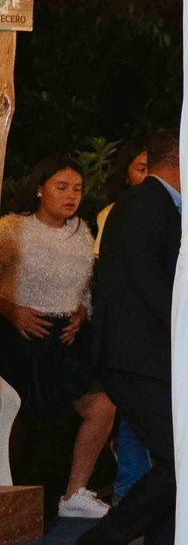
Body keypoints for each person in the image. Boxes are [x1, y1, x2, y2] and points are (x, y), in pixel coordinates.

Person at [78, 130, 188, 545]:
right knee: (181, 464)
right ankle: (107, 537)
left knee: (187, 470)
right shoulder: (144, 205)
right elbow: (150, 285)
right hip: (139, 359)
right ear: (181, 159)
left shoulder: (170, 207)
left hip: (162, 359)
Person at [0, 155, 117, 518]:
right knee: (14, 421)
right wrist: (10, 309)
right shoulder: (10, 228)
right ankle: (11, 500)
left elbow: (82, 286)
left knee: (102, 405)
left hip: (65, 339)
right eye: (62, 187)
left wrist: (81, 312)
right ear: (39, 189)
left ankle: (75, 493)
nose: (71, 196)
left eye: (78, 189)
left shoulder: (82, 230)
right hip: (19, 337)